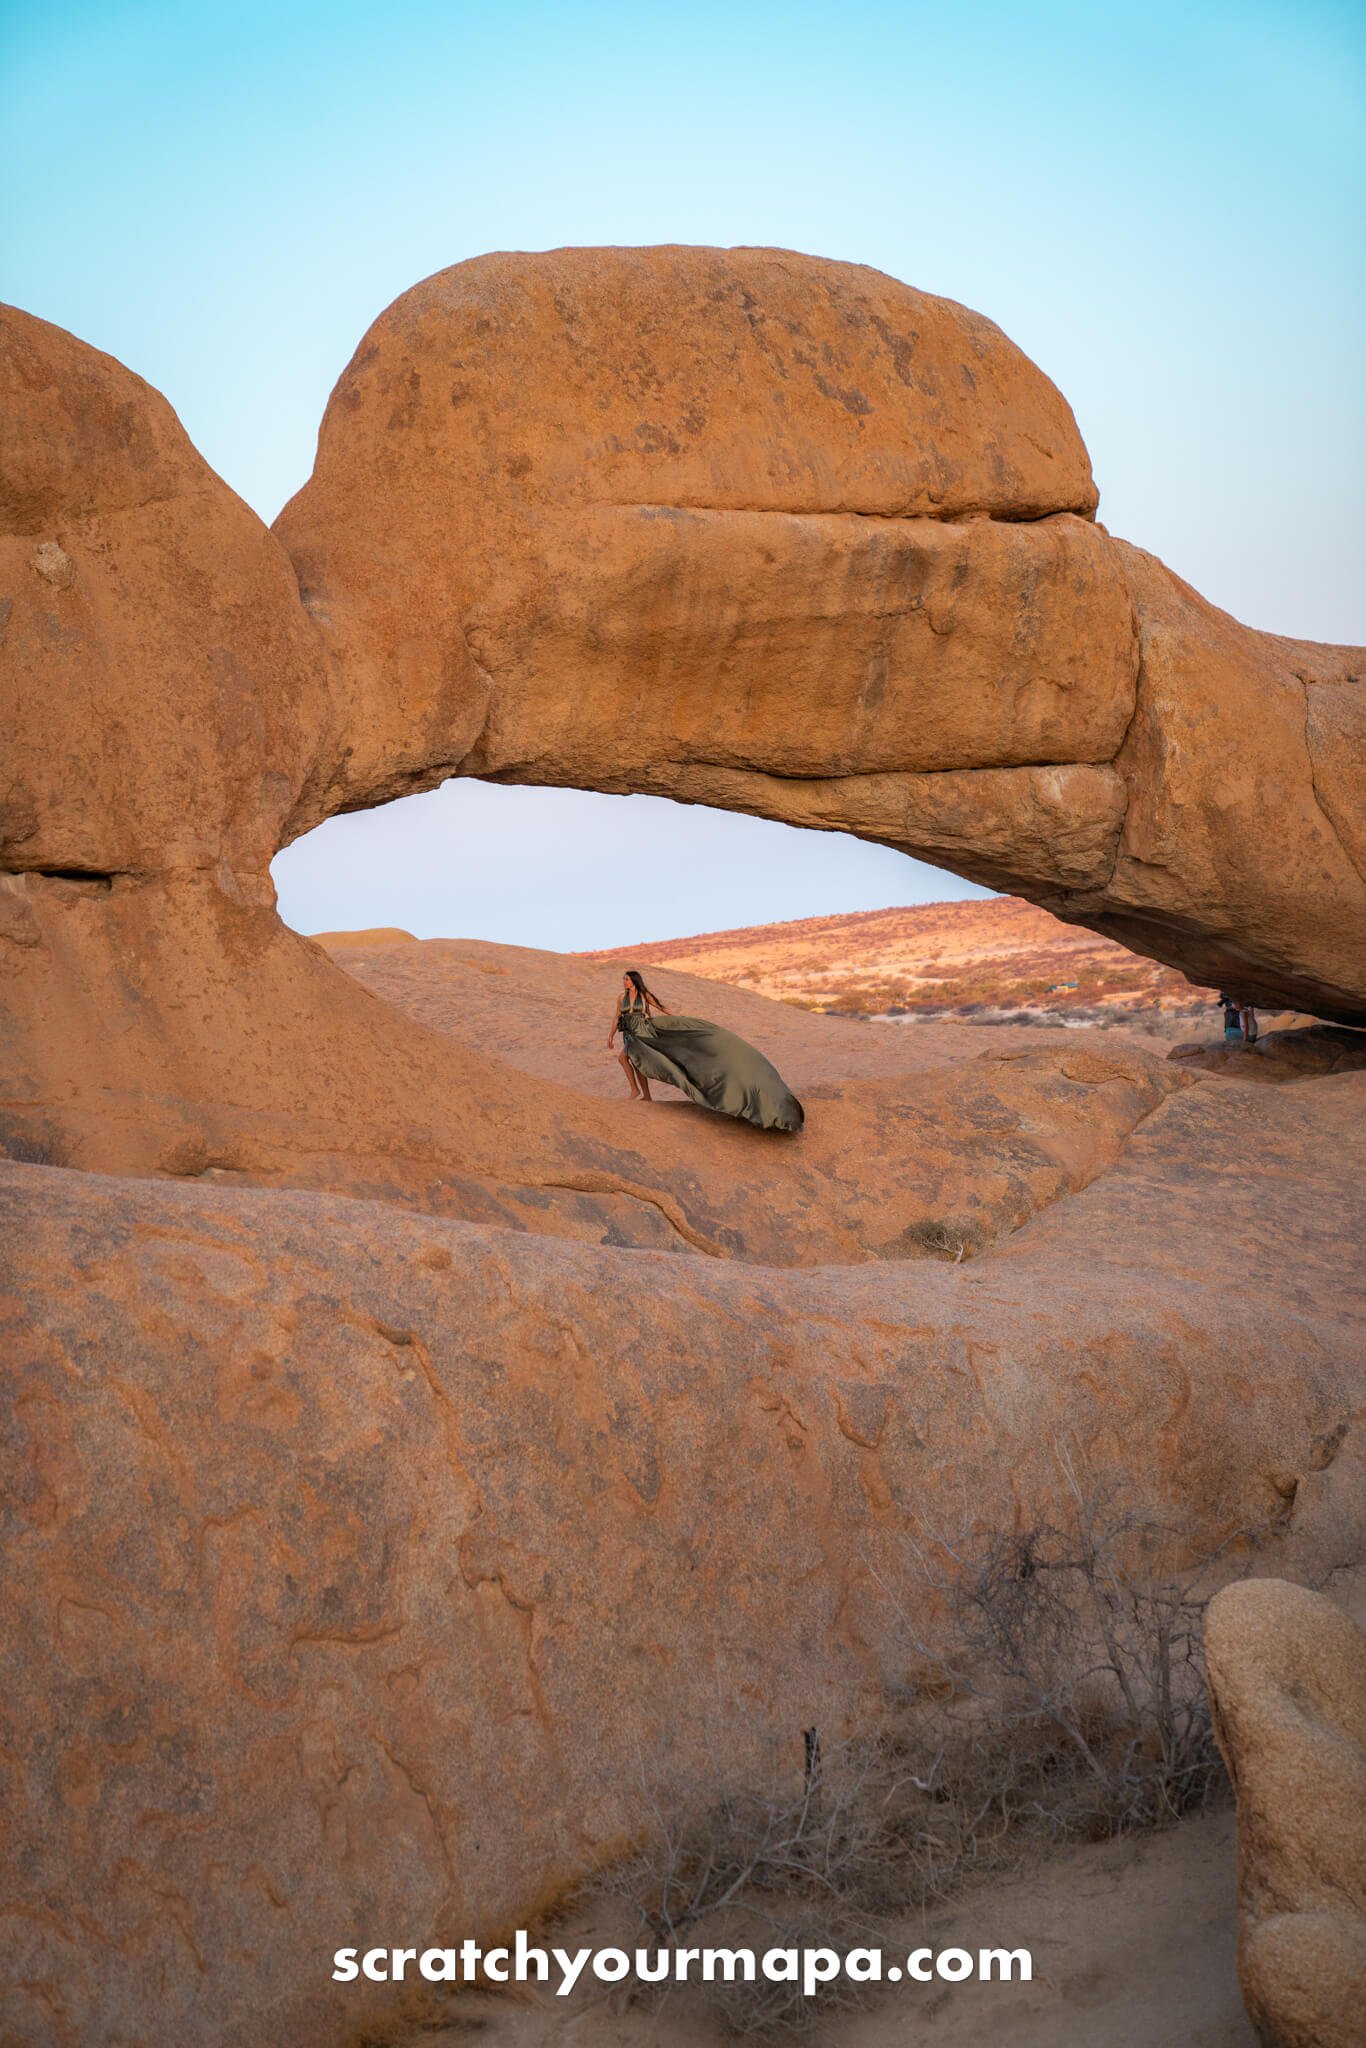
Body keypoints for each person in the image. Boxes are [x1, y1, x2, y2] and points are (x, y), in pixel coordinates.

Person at [606, 969, 804, 1133]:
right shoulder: (621, 997)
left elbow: (661, 1008)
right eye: (623, 979)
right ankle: (638, 1091)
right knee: (628, 1059)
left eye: (626, 978)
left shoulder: (644, 996)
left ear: (634, 980)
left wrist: (679, 1021)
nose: (624, 981)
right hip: (630, 1033)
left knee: (639, 1060)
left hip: (646, 1031)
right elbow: (617, 1017)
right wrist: (610, 1035)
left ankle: (642, 1093)